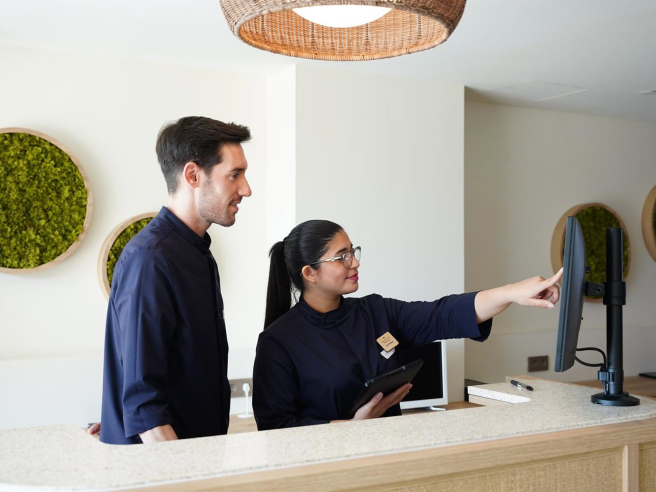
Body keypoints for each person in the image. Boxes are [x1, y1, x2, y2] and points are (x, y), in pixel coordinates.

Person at [252, 220, 562, 430]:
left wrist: (512, 292)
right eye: (342, 256)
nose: (355, 262)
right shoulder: (278, 342)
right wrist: (352, 427)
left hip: (389, 456)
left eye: (353, 252)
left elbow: (444, 314)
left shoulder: (377, 311)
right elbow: (276, 428)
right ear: (310, 273)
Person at [97, 116, 252, 444]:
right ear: (193, 175)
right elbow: (144, 405)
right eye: (234, 175)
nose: (246, 189)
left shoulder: (197, 254)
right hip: (163, 465)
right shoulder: (151, 258)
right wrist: (184, 470)